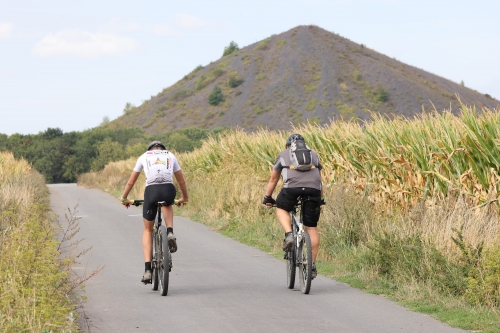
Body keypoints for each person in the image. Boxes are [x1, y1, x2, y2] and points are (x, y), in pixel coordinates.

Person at [120, 140, 188, 284]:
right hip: (168, 189)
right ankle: (169, 231)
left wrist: (124, 197)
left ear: (150, 149)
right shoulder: (170, 155)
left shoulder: (144, 156)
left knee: (147, 230)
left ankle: (148, 271)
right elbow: (181, 181)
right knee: (167, 203)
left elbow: (131, 182)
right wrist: (184, 197)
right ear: (163, 149)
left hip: (151, 192)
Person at [263, 134, 323, 279]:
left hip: (291, 190)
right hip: (313, 191)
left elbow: (273, 179)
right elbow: (320, 179)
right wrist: (319, 199)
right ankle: (312, 266)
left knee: (282, 208)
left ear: (287, 146)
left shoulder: (283, 154)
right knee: (311, 228)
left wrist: (267, 197)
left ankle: (290, 234)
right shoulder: (313, 155)